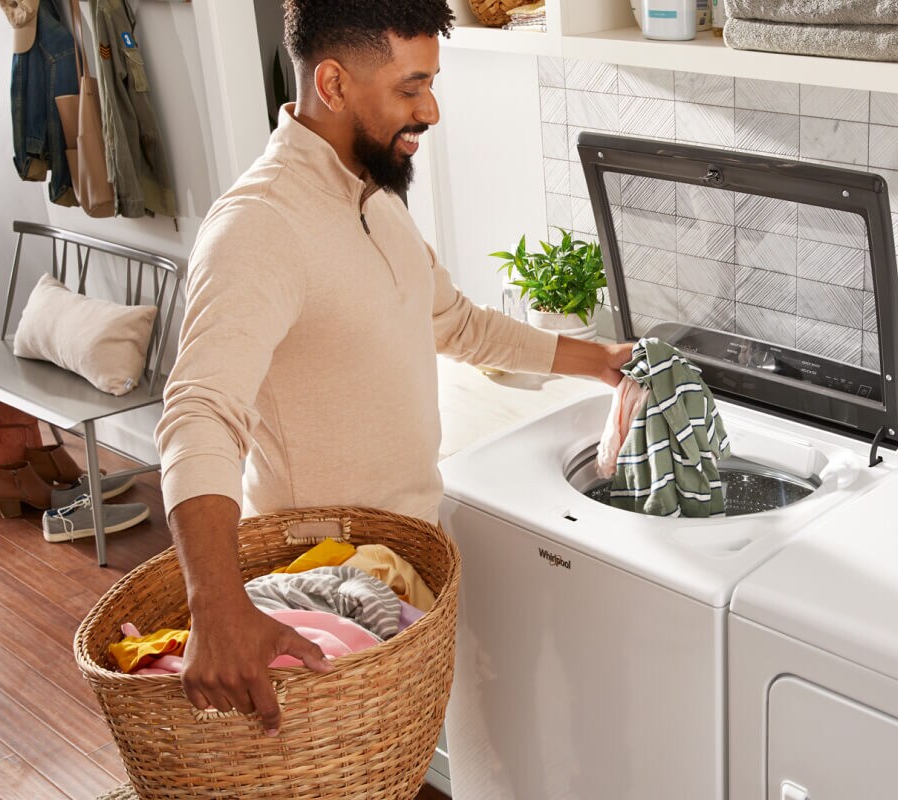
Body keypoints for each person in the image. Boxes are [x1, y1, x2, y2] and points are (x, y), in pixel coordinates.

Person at [153, 0, 630, 737]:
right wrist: (217, 610)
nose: (431, 109)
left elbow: (454, 322)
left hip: (396, 577)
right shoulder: (260, 227)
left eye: (430, 83)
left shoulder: (372, 192)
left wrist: (595, 360)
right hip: (321, 590)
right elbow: (199, 414)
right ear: (335, 85)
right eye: (410, 88)